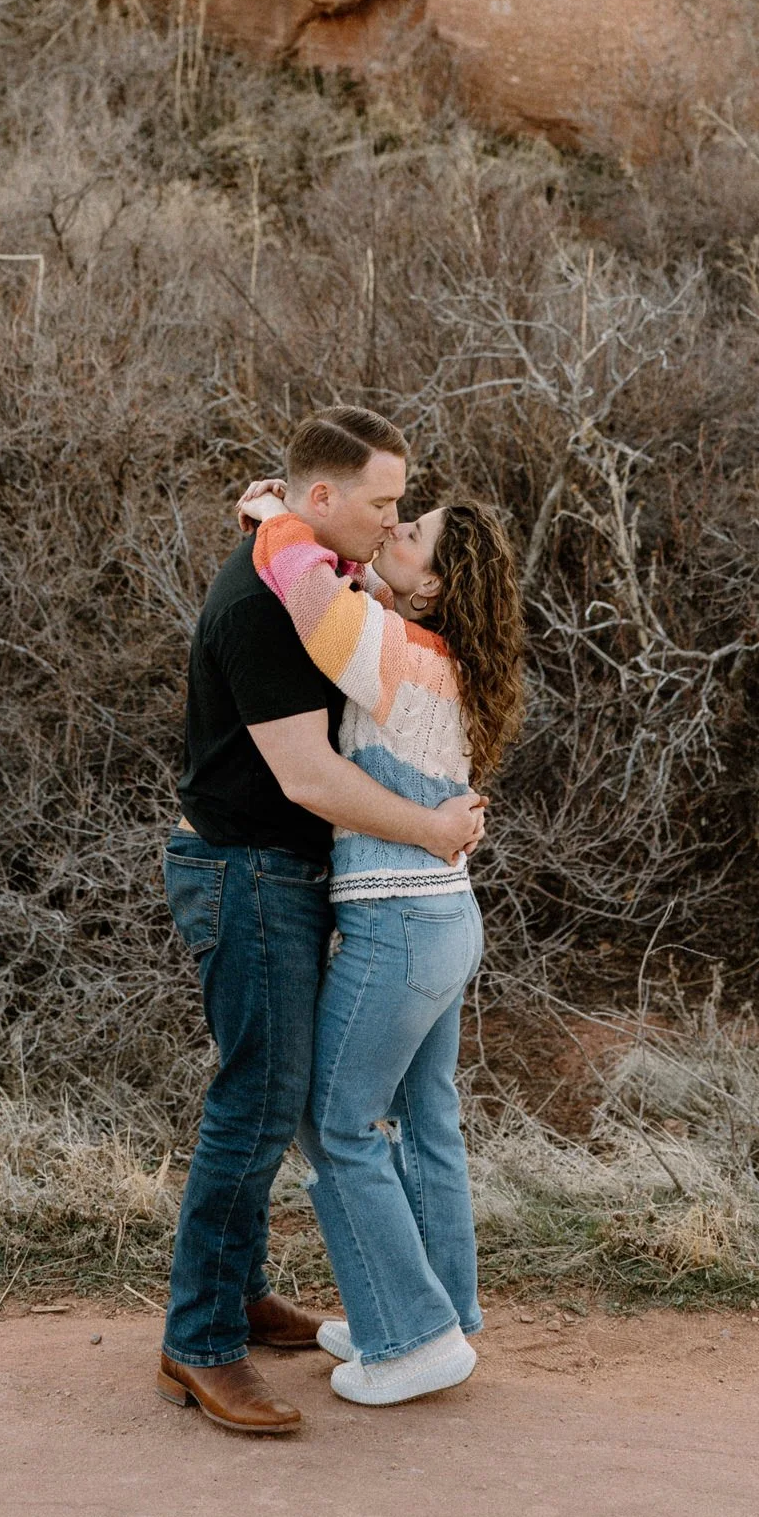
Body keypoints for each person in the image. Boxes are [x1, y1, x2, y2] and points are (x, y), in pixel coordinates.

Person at [156, 407, 488, 1438]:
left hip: (297, 878)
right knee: (259, 1104)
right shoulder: (268, 606)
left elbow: (311, 567)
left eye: (404, 512)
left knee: (286, 1098)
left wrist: (275, 518)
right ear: (323, 499)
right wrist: (433, 829)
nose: (392, 520)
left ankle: (248, 1298)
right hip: (246, 870)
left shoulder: (330, 588)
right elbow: (307, 775)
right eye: (382, 504)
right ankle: (199, 1342)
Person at [240, 480, 524, 1406]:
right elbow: (343, 590)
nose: (389, 533)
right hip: (443, 919)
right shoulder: (443, 657)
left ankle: (411, 1338)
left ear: (432, 588)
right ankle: (429, 1309)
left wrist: (273, 517)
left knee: (335, 1122)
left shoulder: (393, 653)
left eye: (409, 535)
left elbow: (311, 597)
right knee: (426, 1123)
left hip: (399, 921)